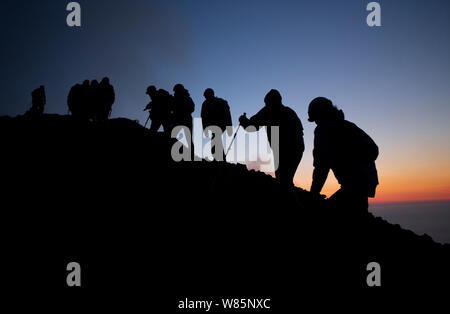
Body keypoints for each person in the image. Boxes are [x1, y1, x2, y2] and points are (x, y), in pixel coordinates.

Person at [308, 97, 379, 213]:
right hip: (364, 182)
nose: (316, 123)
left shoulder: (323, 130)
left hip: (354, 185)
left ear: (320, 115)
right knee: (359, 210)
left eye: (316, 119)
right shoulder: (348, 125)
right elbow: (374, 150)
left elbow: (321, 166)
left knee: (328, 213)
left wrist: (313, 193)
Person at [239, 89, 304, 186]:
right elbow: (300, 132)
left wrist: (243, 120)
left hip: (285, 150)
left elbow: (251, 126)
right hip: (296, 149)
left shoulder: (267, 111)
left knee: (283, 179)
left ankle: (290, 199)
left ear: (268, 101)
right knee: (286, 179)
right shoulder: (289, 111)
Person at [201, 88, 232, 161]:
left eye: (206, 95)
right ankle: (220, 158)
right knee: (216, 138)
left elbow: (227, 114)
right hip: (215, 125)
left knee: (215, 138)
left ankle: (219, 158)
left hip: (220, 124)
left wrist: (229, 125)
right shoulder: (206, 103)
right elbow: (203, 116)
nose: (206, 97)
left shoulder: (220, 102)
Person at [172, 84, 195, 157]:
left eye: (176, 90)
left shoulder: (186, 98)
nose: (175, 92)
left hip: (185, 119)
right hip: (180, 119)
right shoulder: (180, 98)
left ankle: (190, 155)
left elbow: (192, 108)